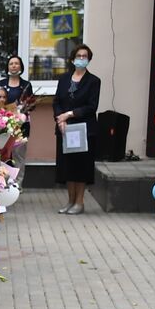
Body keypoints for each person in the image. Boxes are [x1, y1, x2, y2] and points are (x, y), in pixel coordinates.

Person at [54, 43, 101, 215]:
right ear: (72, 59)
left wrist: (69, 114)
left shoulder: (93, 81)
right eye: (79, 56)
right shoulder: (64, 79)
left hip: (84, 129)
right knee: (68, 167)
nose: (82, 59)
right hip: (65, 129)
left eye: (85, 56)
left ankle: (79, 202)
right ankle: (70, 201)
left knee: (81, 167)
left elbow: (91, 106)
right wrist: (60, 119)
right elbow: (57, 101)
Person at [0, 55, 34, 183]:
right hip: (3, 125)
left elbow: (32, 105)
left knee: (18, 156)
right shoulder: (0, 84)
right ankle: (1, 182)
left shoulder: (26, 85)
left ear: (21, 66)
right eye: (11, 63)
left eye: (16, 63)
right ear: (8, 66)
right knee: (2, 154)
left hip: (20, 127)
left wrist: (21, 109)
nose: (14, 66)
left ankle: (17, 183)